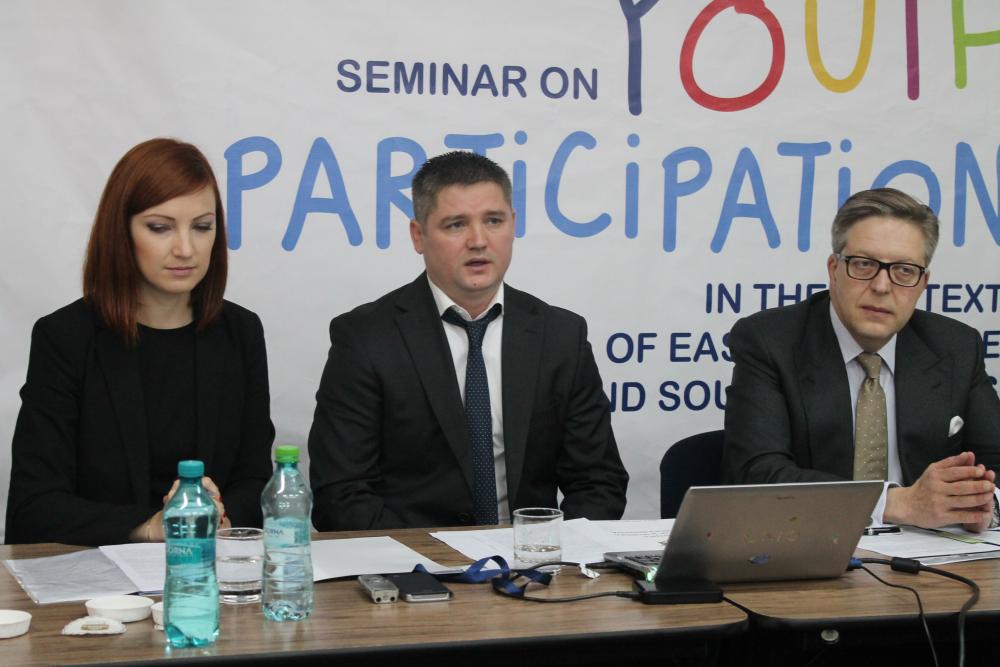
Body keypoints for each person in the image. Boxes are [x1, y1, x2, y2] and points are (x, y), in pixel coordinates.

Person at [308, 150, 628, 530]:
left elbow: (598, 483)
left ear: (513, 224)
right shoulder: (365, 339)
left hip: (533, 558)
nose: (478, 241)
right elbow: (341, 495)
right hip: (412, 558)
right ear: (418, 236)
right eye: (456, 225)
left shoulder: (560, 336)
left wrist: (550, 551)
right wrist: (430, 558)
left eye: (493, 221)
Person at [5, 138, 275, 546]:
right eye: (160, 227)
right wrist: (150, 526)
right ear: (121, 232)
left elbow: (256, 482)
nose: (185, 249)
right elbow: (33, 507)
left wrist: (219, 511)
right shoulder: (65, 337)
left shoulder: (241, 331)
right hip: (99, 574)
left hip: (209, 566)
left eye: (202, 227)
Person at [723, 188, 1000, 531]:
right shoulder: (769, 342)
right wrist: (894, 503)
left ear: (923, 283)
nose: (882, 286)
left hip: (927, 553)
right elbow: (756, 475)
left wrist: (980, 505)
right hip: (806, 543)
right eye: (864, 265)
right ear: (834, 269)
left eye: (904, 270)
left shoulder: (956, 346)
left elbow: (995, 462)